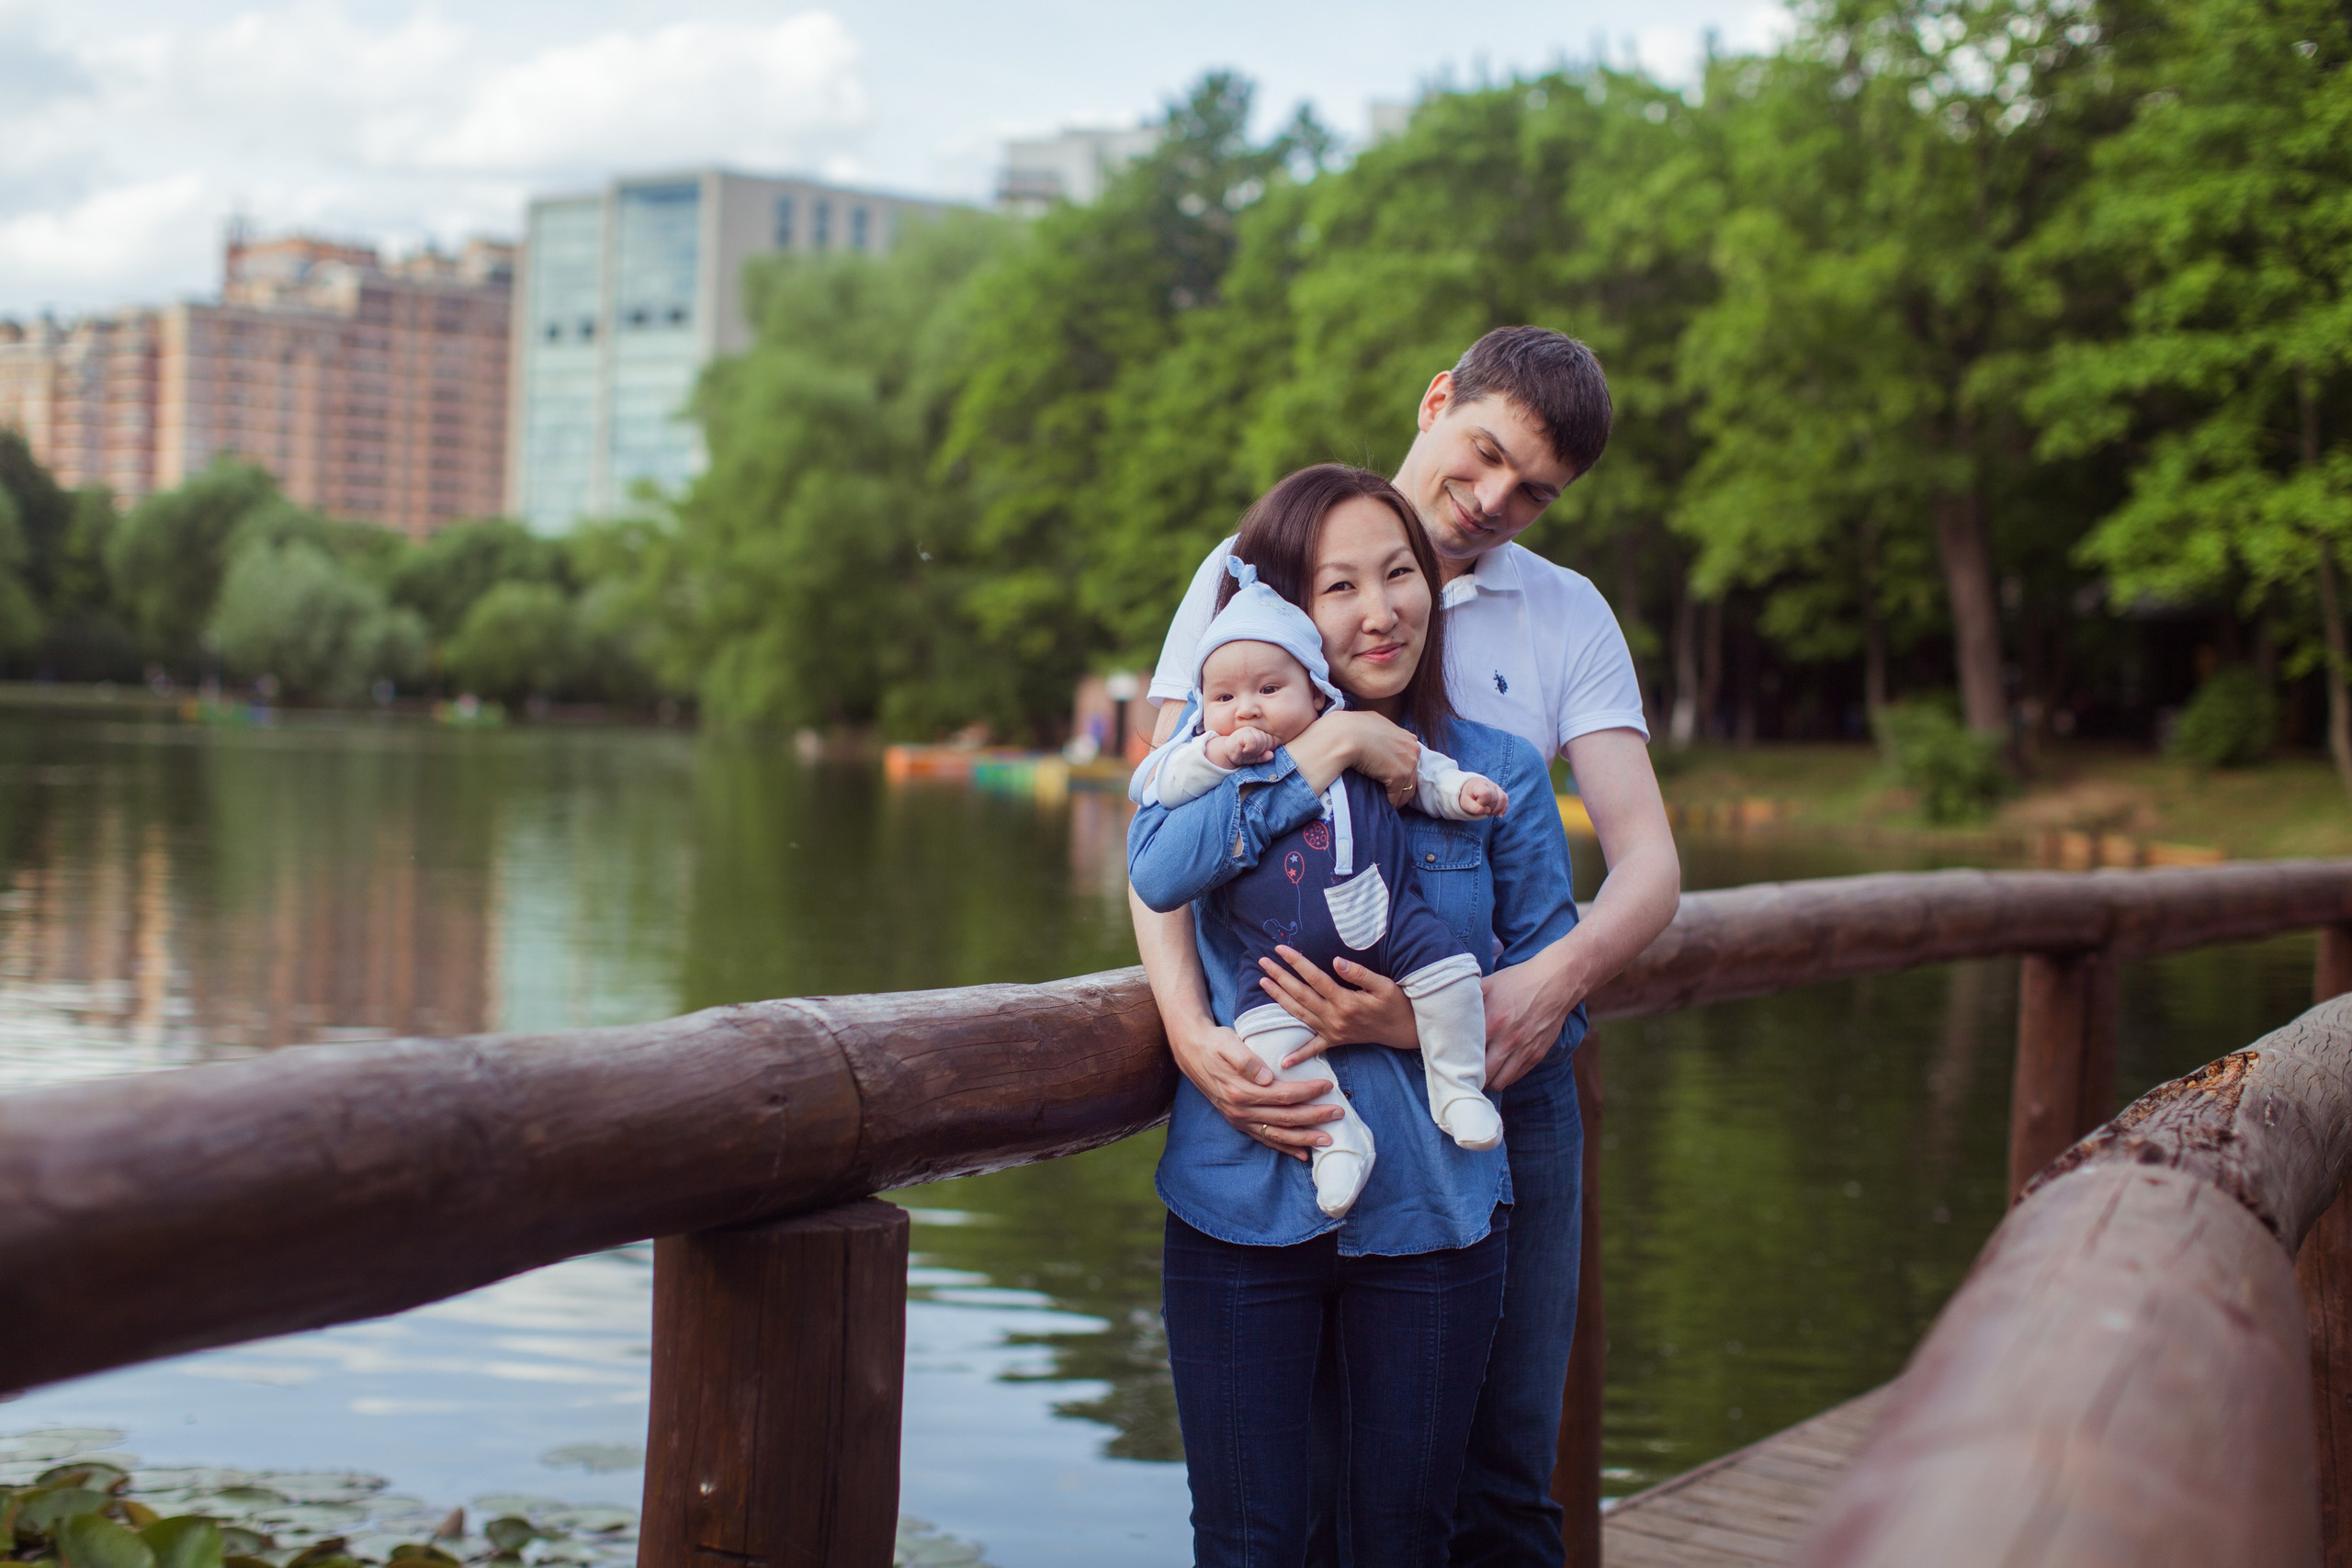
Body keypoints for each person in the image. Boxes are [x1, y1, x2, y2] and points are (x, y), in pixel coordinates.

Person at [1127, 326, 1681, 1563]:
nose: (1495, 503)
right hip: (1292, 1091)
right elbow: (1161, 824)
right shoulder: (1252, 571)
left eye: (1535, 491)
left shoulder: (1560, 612)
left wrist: (1508, 1001)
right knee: (1289, 1507)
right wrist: (1188, 1031)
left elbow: (1645, 864)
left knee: (1495, 1477)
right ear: (1438, 400)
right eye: (1485, 456)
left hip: (1495, 1059)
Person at [1145, 547, 1507, 1218]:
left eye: (1268, 690)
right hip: (1277, 959)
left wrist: (1463, 790)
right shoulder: (1221, 774)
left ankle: (1458, 1086)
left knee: (1452, 974)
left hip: (1388, 922)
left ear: (1316, 691)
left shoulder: (1365, 741)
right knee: (1267, 1040)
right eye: (1224, 697)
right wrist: (1211, 750)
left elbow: (1425, 773)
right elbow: (1161, 792)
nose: (1245, 710)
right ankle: (1339, 1140)